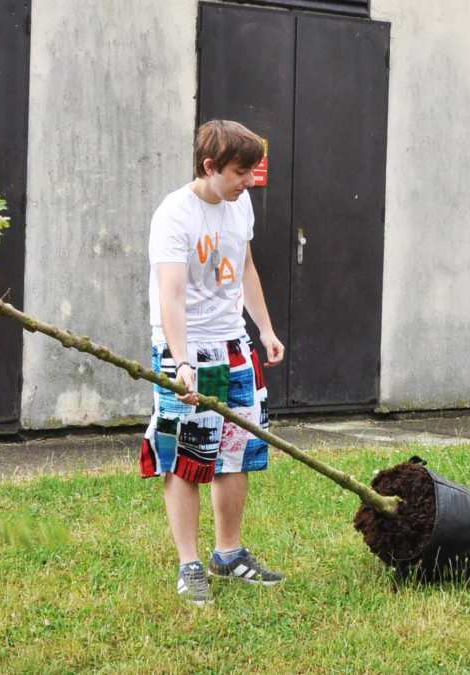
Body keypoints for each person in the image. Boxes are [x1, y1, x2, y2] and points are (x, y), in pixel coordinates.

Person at [141, 120, 286, 606]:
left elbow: (244, 267)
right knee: (186, 459)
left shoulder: (238, 203)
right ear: (210, 167)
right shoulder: (174, 215)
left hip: (233, 344)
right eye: (241, 172)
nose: (249, 182)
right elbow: (172, 294)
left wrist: (263, 329)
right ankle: (189, 564)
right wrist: (180, 363)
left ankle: (229, 553)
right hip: (186, 350)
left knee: (236, 451)